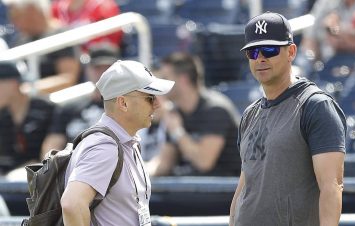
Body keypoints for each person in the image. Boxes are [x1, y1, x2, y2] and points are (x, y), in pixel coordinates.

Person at [229, 12, 346, 226]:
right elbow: (245, 186)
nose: (260, 58)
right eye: (253, 52)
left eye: (270, 50)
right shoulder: (250, 114)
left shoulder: (316, 105)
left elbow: (332, 187)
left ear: (291, 51)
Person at [61, 60, 175, 225]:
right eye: (150, 98)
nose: (157, 104)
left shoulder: (123, 141)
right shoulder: (105, 146)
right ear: (123, 103)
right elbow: (72, 204)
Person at [147, 52, 241, 177]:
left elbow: (204, 162)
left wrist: (177, 132)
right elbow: (164, 165)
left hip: (224, 191)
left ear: (183, 79)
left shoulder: (215, 109)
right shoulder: (175, 113)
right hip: (190, 190)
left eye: (165, 78)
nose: (160, 85)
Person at [41, 42, 120, 159]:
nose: (103, 73)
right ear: (88, 70)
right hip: (75, 168)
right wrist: (52, 167)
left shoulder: (128, 105)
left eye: (108, 67)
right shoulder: (69, 108)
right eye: (97, 67)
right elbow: (52, 145)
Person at [2, 0, 81, 94]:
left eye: (16, 17)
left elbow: (67, 78)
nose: (13, 22)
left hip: (52, 101)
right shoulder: (20, 40)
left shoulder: (61, 36)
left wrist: (28, 89)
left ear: (32, 11)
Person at [0, 61, 55, 175]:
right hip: (7, 179)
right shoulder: (3, 115)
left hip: (42, 176)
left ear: (13, 83)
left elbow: (53, 149)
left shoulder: (44, 109)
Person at [51, 0, 123, 51]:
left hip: (95, 61)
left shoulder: (104, 6)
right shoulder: (56, 8)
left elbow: (110, 46)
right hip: (66, 58)